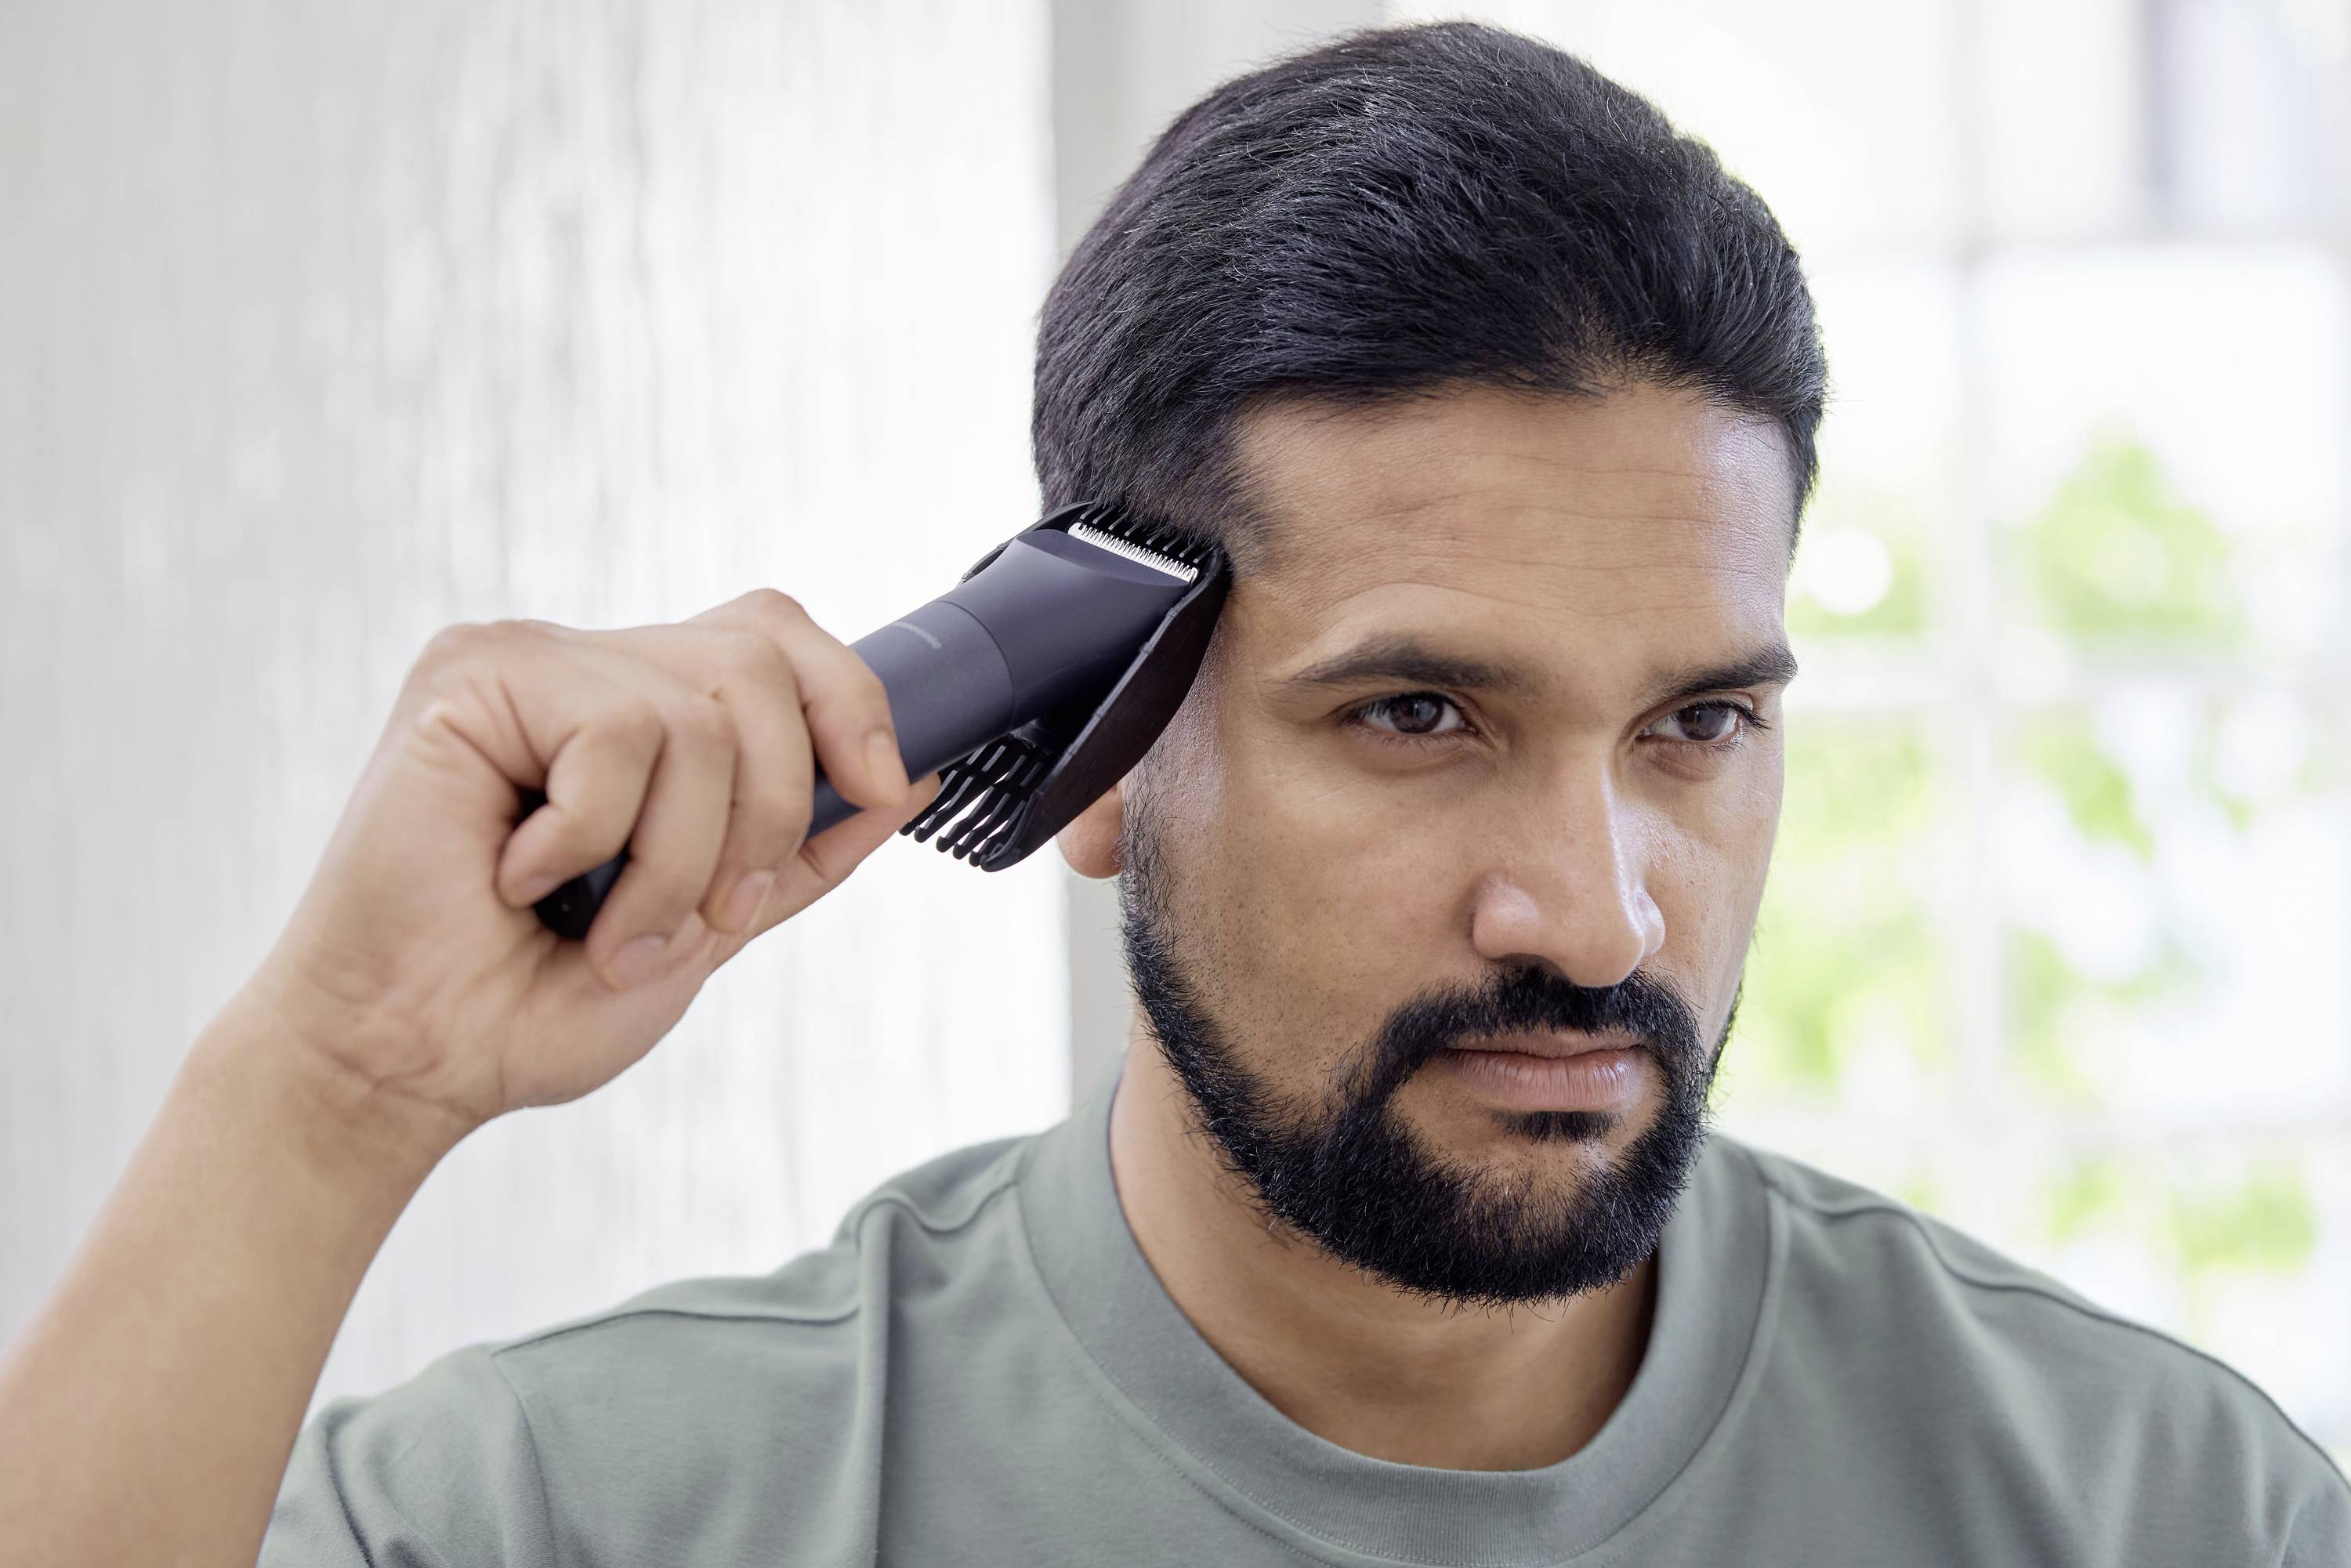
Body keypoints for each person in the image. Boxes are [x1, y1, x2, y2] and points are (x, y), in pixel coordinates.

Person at [3, 20, 2344, 1567]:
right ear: (1097, 733)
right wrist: (333, 1084)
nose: (1601, 910)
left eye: (1694, 726)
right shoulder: (585, 1515)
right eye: (1418, 715)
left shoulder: (2161, 1509)